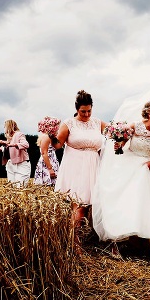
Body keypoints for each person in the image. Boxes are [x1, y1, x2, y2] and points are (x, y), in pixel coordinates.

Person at [92, 100, 150, 255]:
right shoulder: (135, 126)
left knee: (144, 198)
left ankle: (144, 239)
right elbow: (119, 148)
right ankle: (130, 239)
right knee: (129, 199)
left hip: (148, 166)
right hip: (128, 164)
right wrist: (118, 139)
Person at [55, 91, 105, 229]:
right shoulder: (68, 123)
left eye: (89, 111)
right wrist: (51, 135)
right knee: (80, 205)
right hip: (76, 166)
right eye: (83, 111)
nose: (87, 114)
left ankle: (85, 236)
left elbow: (113, 132)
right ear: (77, 109)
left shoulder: (97, 122)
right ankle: (75, 244)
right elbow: (58, 144)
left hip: (94, 165)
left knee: (92, 203)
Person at [0, 118, 31, 183]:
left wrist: (14, 144)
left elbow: (26, 145)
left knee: (19, 187)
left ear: (9, 127)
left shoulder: (19, 134)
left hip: (21, 164)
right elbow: (10, 151)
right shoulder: (9, 137)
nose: (4, 129)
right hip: (10, 164)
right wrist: (3, 149)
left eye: (5, 127)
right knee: (12, 188)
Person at [35, 118, 60, 185]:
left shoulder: (51, 137)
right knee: (47, 184)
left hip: (51, 161)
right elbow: (44, 153)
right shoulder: (46, 137)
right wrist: (50, 169)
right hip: (47, 163)